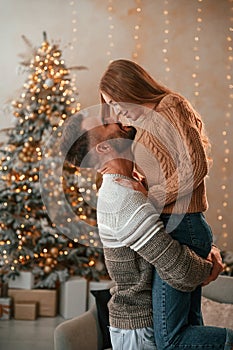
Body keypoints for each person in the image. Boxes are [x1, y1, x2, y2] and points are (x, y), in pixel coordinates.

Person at [60, 113, 233, 350]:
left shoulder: (134, 183)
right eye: (105, 122)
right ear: (103, 147)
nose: (113, 116)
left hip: (154, 320)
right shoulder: (121, 197)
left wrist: (208, 249)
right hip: (141, 330)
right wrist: (209, 264)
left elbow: (170, 237)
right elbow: (179, 268)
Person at [99, 59, 232, 349]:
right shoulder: (140, 125)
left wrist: (150, 196)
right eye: (110, 104)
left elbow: (195, 167)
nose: (116, 110)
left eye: (117, 101)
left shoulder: (169, 106)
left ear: (130, 87)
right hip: (174, 224)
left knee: (170, 340)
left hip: (183, 223)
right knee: (188, 326)